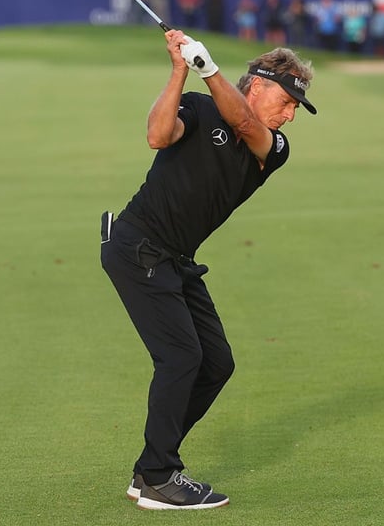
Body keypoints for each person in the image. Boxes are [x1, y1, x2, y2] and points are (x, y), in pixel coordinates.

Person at [102, 30, 316, 510]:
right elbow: (157, 135)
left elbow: (240, 120)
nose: (290, 114)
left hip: (174, 258)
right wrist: (182, 70)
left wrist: (208, 67)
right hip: (138, 246)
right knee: (180, 358)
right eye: (287, 101)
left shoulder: (272, 147)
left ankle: (151, 467)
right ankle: (159, 475)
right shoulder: (197, 108)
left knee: (215, 362)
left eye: (296, 108)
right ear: (257, 86)